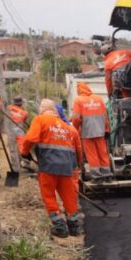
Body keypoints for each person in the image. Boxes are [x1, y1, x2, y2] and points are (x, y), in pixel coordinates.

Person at [20, 99, 83, 238]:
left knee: (49, 196)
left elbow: (30, 139)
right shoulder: (67, 127)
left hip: (48, 167)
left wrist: (24, 153)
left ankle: (60, 227)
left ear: (42, 109)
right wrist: (78, 165)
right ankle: (74, 227)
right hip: (66, 168)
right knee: (69, 197)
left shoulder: (40, 120)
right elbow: (77, 150)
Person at [71, 83, 112, 177]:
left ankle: (97, 176)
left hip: (87, 132)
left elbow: (76, 118)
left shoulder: (78, 100)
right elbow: (105, 116)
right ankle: (107, 174)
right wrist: (107, 129)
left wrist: (75, 130)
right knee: (103, 153)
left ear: (79, 90)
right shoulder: (99, 99)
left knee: (92, 154)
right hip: (100, 132)